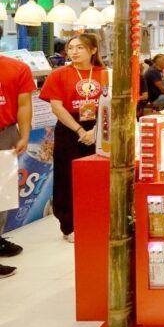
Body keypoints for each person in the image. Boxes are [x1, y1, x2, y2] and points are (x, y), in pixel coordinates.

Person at [38, 33, 106, 241]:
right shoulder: (59, 74)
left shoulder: (106, 73)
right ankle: (69, 225)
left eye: (80, 48)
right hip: (69, 128)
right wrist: (80, 131)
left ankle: (99, 220)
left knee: (99, 176)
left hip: (101, 126)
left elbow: (112, 104)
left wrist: (96, 130)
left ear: (93, 50)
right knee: (67, 177)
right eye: (71, 48)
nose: (74, 52)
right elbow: (57, 107)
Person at [0, 54, 34, 278]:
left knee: (2, 197)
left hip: (5, 134)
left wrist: (25, 134)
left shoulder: (17, 68)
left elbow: (24, 104)